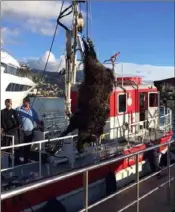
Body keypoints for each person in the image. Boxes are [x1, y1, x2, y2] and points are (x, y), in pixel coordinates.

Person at [17, 97, 41, 164]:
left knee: (28, 146)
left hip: (30, 132)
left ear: (29, 102)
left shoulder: (32, 110)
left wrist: (40, 123)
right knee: (21, 146)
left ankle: (26, 160)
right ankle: (18, 159)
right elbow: (15, 119)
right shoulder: (18, 109)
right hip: (21, 132)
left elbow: (36, 119)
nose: (25, 103)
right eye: (24, 101)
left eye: (27, 101)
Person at [1, 99, 21, 165]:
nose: (8, 104)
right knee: (5, 148)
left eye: (10, 103)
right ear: (5, 103)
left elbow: (18, 123)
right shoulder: (2, 112)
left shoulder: (14, 112)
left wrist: (17, 127)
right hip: (5, 133)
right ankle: (6, 162)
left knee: (16, 148)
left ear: (11, 103)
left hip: (13, 133)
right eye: (7, 103)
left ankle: (16, 161)